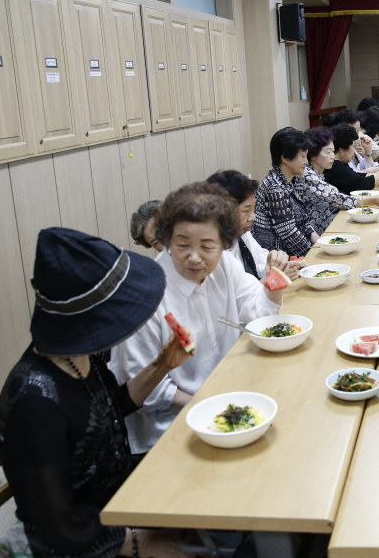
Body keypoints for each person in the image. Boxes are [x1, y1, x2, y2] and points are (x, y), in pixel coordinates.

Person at [0, 227, 197, 558]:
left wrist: (162, 365)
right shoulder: (34, 405)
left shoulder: (80, 357)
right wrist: (139, 543)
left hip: (117, 499)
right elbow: (57, 525)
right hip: (82, 539)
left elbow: (109, 409)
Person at [111, 183, 283, 453]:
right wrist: (213, 406)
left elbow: (255, 312)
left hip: (227, 398)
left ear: (225, 243)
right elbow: (150, 393)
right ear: (166, 241)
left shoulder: (225, 263)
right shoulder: (146, 297)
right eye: (182, 245)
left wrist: (275, 284)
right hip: (169, 426)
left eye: (207, 246)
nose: (194, 258)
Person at [207, 169, 306, 281]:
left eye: (253, 209)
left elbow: (259, 264)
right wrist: (275, 280)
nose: (253, 217)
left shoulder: (242, 233)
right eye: (246, 210)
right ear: (223, 211)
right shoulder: (215, 253)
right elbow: (238, 296)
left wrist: (281, 266)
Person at [294, 126, 379, 234]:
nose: (332, 156)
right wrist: (371, 200)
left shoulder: (319, 172)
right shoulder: (307, 174)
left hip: (332, 224)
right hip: (323, 232)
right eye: (327, 152)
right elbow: (335, 197)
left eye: (332, 151)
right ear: (313, 155)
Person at [252, 127, 317, 258]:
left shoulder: (295, 179)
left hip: (294, 251)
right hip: (279, 256)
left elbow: (304, 222)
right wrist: (314, 255)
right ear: (285, 158)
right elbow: (289, 234)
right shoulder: (274, 188)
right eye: (303, 157)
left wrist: (320, 244)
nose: (306, 162)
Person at [324, 124, 379, 195]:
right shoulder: (334, 165)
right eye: (353, 146)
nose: (354, 150)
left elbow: (356, 176)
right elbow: (362, 184)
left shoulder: (340, 162)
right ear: (342, 149)